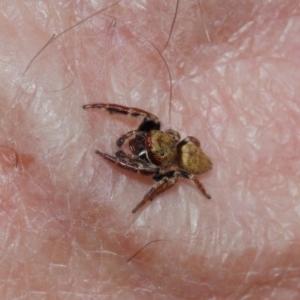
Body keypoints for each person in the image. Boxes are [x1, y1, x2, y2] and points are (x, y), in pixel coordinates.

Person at [1, 1, 299, 299]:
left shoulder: (169, 169)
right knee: (149, 125)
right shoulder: (154, 133)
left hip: (184, 158)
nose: (140, 143)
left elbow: (172, 169)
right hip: (179, 147)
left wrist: (149, 192)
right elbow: (148, 124)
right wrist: (117, 118)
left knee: (165, 180)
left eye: (145, 146)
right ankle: (108, 116)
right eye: (145, 140)